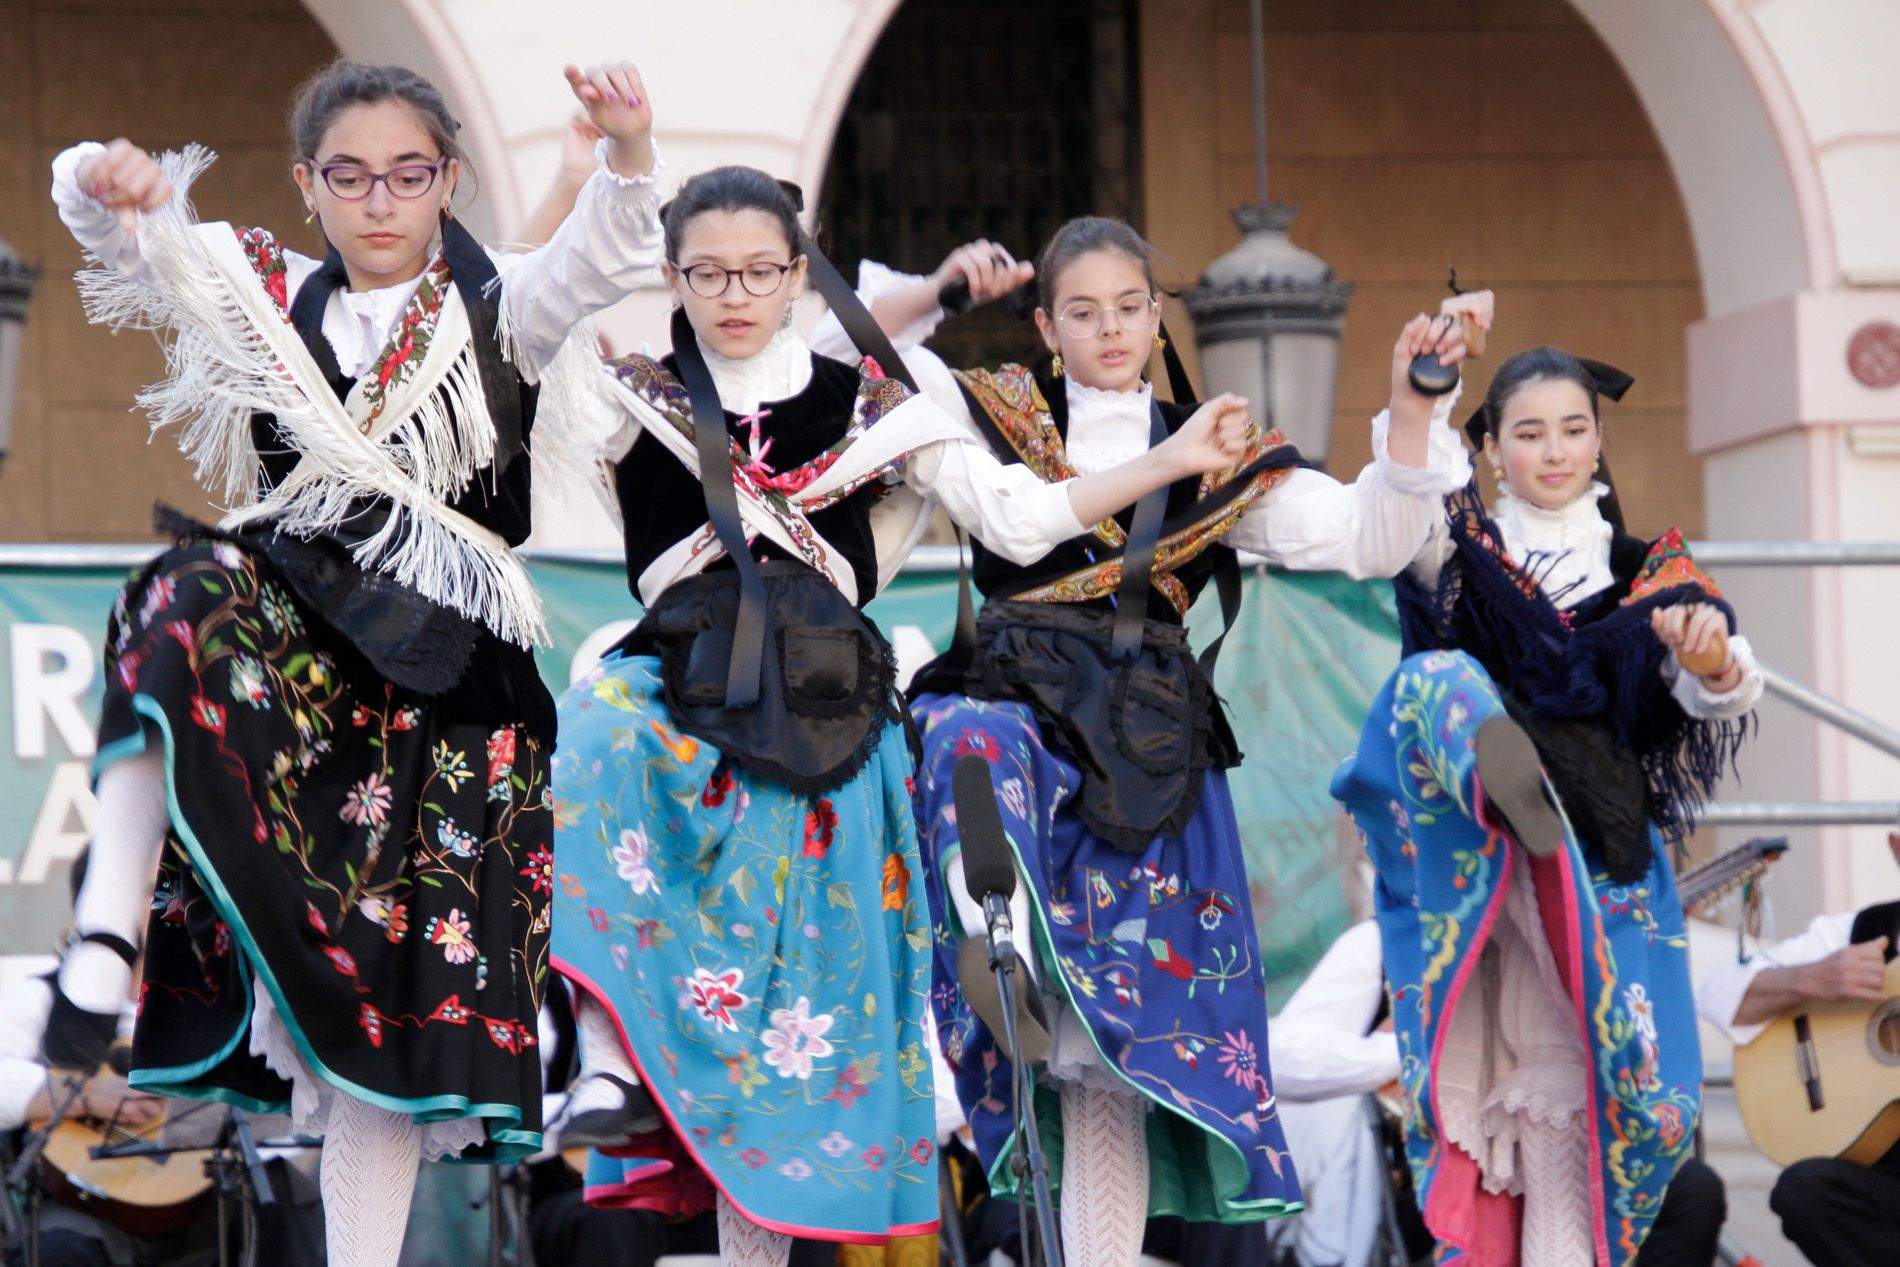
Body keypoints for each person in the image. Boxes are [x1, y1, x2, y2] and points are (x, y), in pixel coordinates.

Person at [544, 172, 1249, 1265]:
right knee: (592, 719)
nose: (735, 292)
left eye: (762, 269)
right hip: (678, 686)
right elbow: (532, 305)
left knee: (791, 1045)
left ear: (800, 267)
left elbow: (1015, 522)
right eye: (708, 271)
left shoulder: (883, 406)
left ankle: (996, 938)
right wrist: (618, 156)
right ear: (671, 273)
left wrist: (1173, 459)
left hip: (828, 717)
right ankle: (603, 1056)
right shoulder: (622, 391)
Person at [46, 57, 664, 1267]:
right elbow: (127, 239)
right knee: (176, 599)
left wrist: (630, 151)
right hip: (303, 656)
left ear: (447, 184)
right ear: (309, 187)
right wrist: (96, 175)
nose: (380, 201)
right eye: (351, 176)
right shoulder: (264, 293)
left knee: (377, 1024)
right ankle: (105, 934)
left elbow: (609, 247)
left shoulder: (505, 302)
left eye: (408, 174)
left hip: (443, 693)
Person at [814, 219, 1480, 1267]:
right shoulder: (994, 418)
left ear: (1155, 312)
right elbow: (849, 348)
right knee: (958, 732)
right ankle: (1004, 924)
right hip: (1018, 703)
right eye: (1082, 311)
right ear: (1045, 325)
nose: (1110, 328)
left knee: (1103, 1078)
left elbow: (1369, 537)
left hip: (1145, 752)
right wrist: (939, 287)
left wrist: (1411, 405)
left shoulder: (1214, 446)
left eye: (1128, 306)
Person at [1330, 341, 1763, 1265]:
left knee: (1568, 1135)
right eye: (1529, 433)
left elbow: (1724, 683)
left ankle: (1534, 832)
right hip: (1478, 874)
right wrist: (1421, 391)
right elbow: (1404, 491)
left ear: (1598, 436)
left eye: (1573, 429)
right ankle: (1498, 782)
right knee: (1439, 681)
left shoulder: (1653, 571)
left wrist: (1707, 656)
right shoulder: (1457, 546)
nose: (1556, 451)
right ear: (1491, 449)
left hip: (1599, 869)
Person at [1270, 919, 1728, 1267]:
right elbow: (1284, 1059)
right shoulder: (1388, 937)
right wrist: (1414, 1051)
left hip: (1562, 1150)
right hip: (1437, 1172)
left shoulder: (1575, 927)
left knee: (1691, 1192)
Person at [1696, 832, 1900, 1267]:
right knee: (1805, 1190)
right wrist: (1810, 979)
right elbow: (1716, 994)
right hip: (1888, 1182)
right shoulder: (1863, 930)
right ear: (1897, 847)